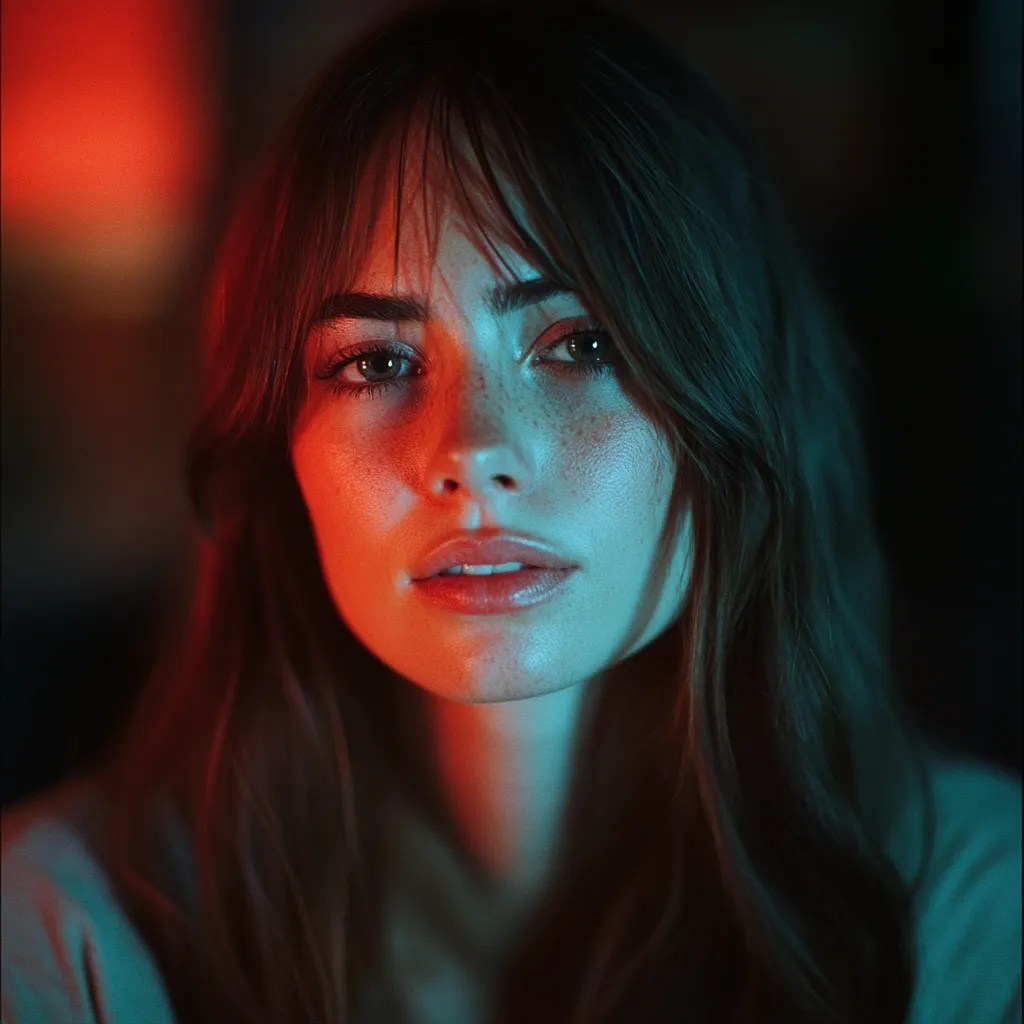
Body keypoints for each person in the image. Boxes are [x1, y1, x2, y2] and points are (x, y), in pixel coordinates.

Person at [2, 1, 1020, 1022]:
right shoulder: (71, 933)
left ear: (739, 384)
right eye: (376, 361)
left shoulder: (971, 912)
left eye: (582, 343)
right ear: (280, 454)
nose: (472, 451)